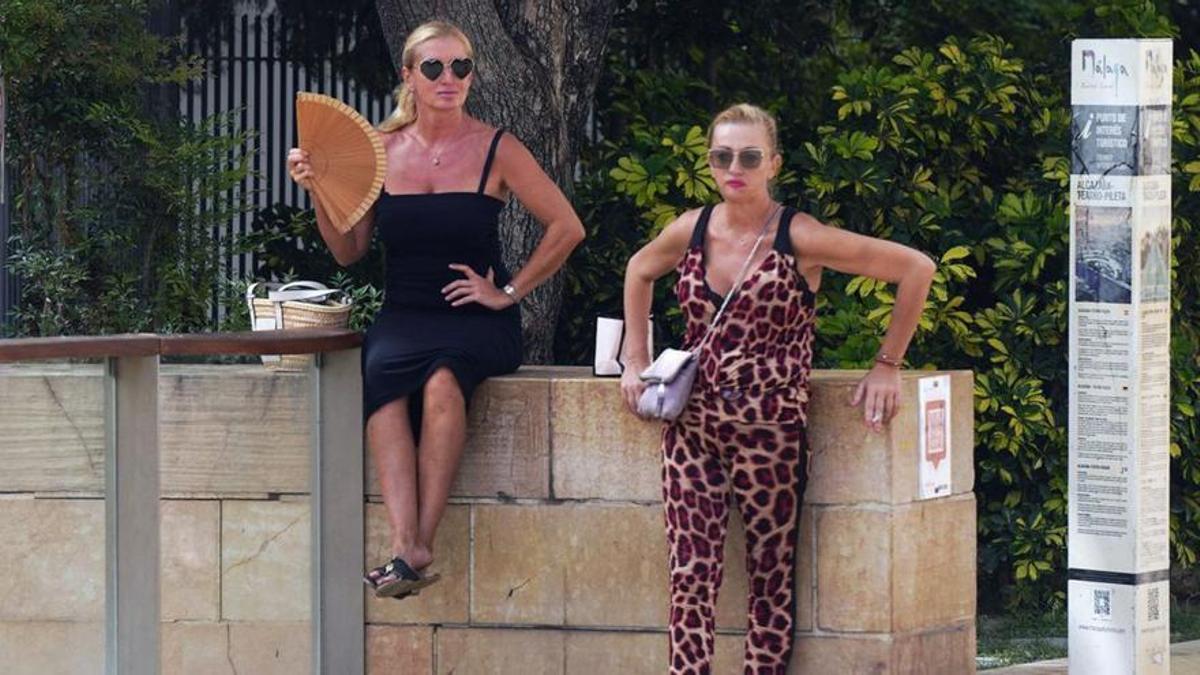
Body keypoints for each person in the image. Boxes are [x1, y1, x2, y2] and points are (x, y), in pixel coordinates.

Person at [620, 103, 935, 673]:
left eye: (749, 157)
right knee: (689, 576)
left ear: (773, 164)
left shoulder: (800, 236)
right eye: (721, 157)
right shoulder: (691, 228)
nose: (734, 168)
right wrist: (634, 358)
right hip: (692, 429)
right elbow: (639, 270)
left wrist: (887, 364)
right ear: (709, 163)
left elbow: (916, 268)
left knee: (770, 579)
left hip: (771, 431)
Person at [287, 20, 584, 599]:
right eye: (434, 67)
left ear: (471, 75)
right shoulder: (379, 152)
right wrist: (319, 189)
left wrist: (508, 292)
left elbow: (567, 227)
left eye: (460, 67)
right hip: (404, 313)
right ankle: (406, 543)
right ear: (409, 76)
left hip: (475, 318)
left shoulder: (497, 147)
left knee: (443, 381)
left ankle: (415, 547)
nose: (449, 78)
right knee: (382, 378)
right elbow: (349, 251)